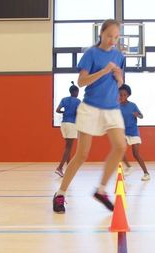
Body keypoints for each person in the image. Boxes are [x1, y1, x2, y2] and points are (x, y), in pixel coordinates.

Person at [53, 19, 126, 214]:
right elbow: (82, 81)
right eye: (109, 36)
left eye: (116, 37)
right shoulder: (91, 54)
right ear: (101, 34)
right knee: (81, 155)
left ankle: (101, 190)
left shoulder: (119, 56)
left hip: (112, 109)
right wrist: (103, 71)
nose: (112, 40)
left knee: (120, 146)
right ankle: (60, 194)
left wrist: (119, 77)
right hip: (90, 108)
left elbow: (119, 84)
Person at [119, 84, 150, 181]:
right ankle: (129, 167)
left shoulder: (133, 105)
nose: (122, 97)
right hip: (123, 132)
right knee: (120, 150)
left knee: (136, 154)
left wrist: (138, 115)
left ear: (128, 95)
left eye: (124, 95)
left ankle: (146, 173)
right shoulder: (117, 106)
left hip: (133, 132)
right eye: (120, 95)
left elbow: (141, 116)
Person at [54, 83, 81, 177]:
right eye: (77, 91)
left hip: (64, 124)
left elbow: (57, 110)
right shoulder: (78, 101)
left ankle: (69, 168)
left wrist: (64, 112)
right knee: (68, 147)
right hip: (71, 124)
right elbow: (78, 112)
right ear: (75, 92)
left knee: (68, 147)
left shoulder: (64, 99)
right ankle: (60, 167)